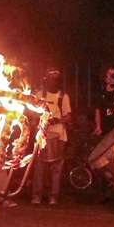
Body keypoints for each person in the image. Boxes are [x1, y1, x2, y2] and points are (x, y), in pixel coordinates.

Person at [32, 68, 72, 205]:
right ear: (46, 80)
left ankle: (53, 196)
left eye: (56, 79)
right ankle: (36, 195)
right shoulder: (39, 94)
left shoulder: (63, 96)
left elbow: (68, 117)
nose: (53, 82)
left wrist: (56, 120)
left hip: (58, 135)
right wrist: (42, 119)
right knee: (39, 165)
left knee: (56, 166)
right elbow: (32, 114)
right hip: (42, 135)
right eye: (50, 79)